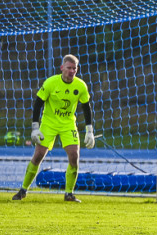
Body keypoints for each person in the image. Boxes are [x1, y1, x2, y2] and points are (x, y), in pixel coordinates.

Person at [12, 54, 95, 202]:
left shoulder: (81, 85)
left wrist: (90, 131)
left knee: (74, 156)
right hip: (49, 123)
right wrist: (35, 127)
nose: (71, 71)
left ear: (77, 69)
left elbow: (86, 107)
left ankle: (69, 194)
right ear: (62, 68)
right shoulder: (51, 83)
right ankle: (23, 190)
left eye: (74, 68)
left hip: (68, 123)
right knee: (38, 155)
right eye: (68, 68)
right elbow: (38, 103)